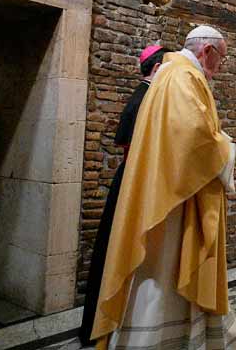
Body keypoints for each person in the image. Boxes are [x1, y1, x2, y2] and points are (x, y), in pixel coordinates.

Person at [91, 26, 236, 349]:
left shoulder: (170, 74)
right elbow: (192, 134)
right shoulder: (183, 77)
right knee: (166, 272)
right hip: (173, 199)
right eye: (221, 58)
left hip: (165, 189)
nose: (220, 68)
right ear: (206, 51)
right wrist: (227, 147)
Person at [78, 44, 170, 346]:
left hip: (132, 178)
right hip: (136, 181)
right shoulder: (146, 99)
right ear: (156, 69)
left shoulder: (142, 95)